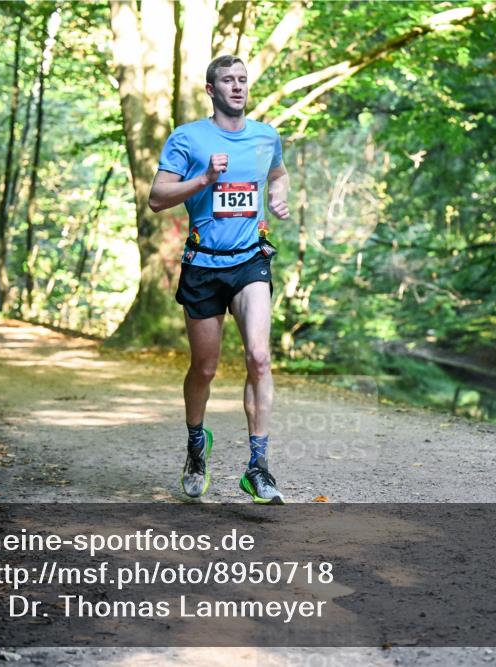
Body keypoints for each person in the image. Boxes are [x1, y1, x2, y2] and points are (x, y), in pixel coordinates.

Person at [148, 55, 290, 504]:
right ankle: (195, 446)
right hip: (203, 265)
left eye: (243, 80)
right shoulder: (188, 138)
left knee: (259, 357)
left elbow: (279, 172)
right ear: (211, 90)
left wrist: (278, 195)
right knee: (205, 368)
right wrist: (205, 178)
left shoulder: (266, 135)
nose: (237, 86)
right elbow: (156, 198)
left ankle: (258, 467)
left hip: (250, 260)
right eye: (228, 80)